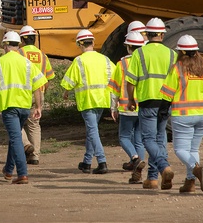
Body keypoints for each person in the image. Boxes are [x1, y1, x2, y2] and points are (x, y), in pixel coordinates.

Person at [159, 35, 203, 193]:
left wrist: (162, 113)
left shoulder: (177, 69)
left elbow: (168, 94)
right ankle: (190, 184)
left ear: (181, 51)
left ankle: (196, 169)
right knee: (193, 149)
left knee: (180, 150)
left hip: (183, 115)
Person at [0, 31, 46, 184]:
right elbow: (38, 86)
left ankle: (22, 173)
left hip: (9, 107)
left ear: (5, 45)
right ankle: (8, 170)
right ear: (18, 45)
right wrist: (38, 107)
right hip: (24, 107)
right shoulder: (27, 63)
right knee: (15, 137)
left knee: (16, 138)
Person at [125, 17, 176, 190]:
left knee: (148, 139)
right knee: (160, 139)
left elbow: (130, 81)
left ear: (147, 34)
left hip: (147, 101)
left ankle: (163, 167)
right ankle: (152, 178)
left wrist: (131, 100)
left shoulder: (139, 53)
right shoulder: (172, 54)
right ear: (162, 34)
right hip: (166, 102)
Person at [61, 29, 114, 174]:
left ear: (79, 44)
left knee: (92, 131)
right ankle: (87, 162)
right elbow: (115, 78)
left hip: (87, 101)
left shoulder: (79, 61)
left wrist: (66, 92)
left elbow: (69, 81)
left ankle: (102, 162)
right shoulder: (105, 59)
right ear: (93, 42)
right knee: (93, 131)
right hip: (103, 99)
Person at [110, 30, 147, 184]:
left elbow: (115, 89)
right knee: (138, 140)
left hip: (127, 107)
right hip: (143, 106)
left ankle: (135, 158)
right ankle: (138, 170)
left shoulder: (122, 63)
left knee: (124, 137)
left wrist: (113, 108)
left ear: (128, 47)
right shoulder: (145, 62)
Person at [18, 25, 53, 165]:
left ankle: (26, 144)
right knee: (34, 125)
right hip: (39, 93)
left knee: (16, 122)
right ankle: (35, 156)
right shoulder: (42, 55)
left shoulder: (19, 54)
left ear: (22, 39)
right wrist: (43, 91)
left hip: (22, 93)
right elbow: (48, 77)